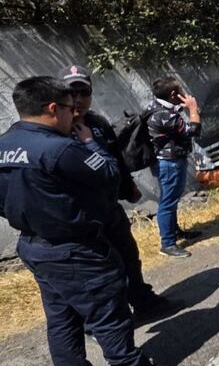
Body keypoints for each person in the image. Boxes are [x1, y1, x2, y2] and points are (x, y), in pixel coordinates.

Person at [0, 76, 151, 366]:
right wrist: (90, 143)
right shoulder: (60, 148)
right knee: (109, 317)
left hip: (34, 247)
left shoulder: (4, 146)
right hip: (76, 251)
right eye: (70, 108)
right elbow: (109, 174)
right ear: (54, 108)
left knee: (62, 320)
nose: (75, 113)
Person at [58, 65, 168, 315]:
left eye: (84, 92)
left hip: (110, 207)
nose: (78, 99)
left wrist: (129, 187)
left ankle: (142, 299)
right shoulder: (56, 129)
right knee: (103, 269)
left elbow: (116, 157)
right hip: (82, 216)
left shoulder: (97, 122)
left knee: (129, 255)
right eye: (71, 92)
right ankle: (113, 316)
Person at [146, 77, 202, 258]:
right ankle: (167, 244)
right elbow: (193, 130)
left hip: (166, 161)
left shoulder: (155, 107)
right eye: (180, 91)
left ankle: (174, 231)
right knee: (168, 202)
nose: (183, 94)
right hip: (169, 163)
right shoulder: (164, 115)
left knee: (171, 199)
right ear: (172, 94)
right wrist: (193, 109)